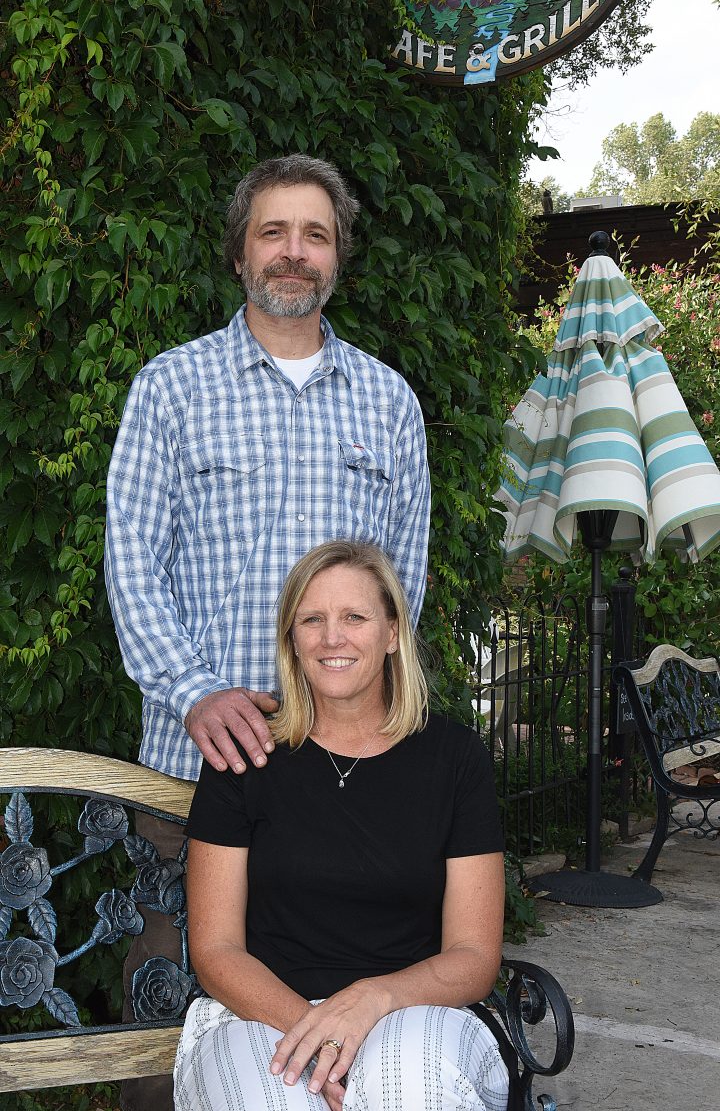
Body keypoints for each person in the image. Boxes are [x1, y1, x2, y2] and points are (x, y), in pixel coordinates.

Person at [104, 154, 431, 1110]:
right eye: (273, 232)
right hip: (190, 767)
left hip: (342, 775)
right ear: (241, 251)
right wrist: (195, 691)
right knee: (164, 1004)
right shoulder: (172, 388)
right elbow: (132, 561)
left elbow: (400, 590)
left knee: (339, 993)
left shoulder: (389, 403)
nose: (294, 252)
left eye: (315, 234)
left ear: (338, 256)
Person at [174, 540, 508, 1111]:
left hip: (408, 1010)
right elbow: (216, 949)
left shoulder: (454, 758)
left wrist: (370, 1000)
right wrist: (319, 1034)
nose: (332, 637)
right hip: (263, 1013)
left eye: (355, 617)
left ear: (393, 632)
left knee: (412, 1088)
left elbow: (474, 955)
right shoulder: (245, 752)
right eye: (313, 619)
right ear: (292, 638)